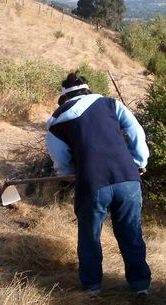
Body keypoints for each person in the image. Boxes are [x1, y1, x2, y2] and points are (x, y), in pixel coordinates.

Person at [46, 72, 151, 297]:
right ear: (88, 91)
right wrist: (139, 161)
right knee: (131, 233)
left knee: (90, 237)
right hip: (128, 177)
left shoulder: (56, 120)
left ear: (64, 98)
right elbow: (135, 131)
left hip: (92, 183)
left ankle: (92, 288)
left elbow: (61, 160)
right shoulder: (111, 104)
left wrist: (69, 172)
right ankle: (141, 286)